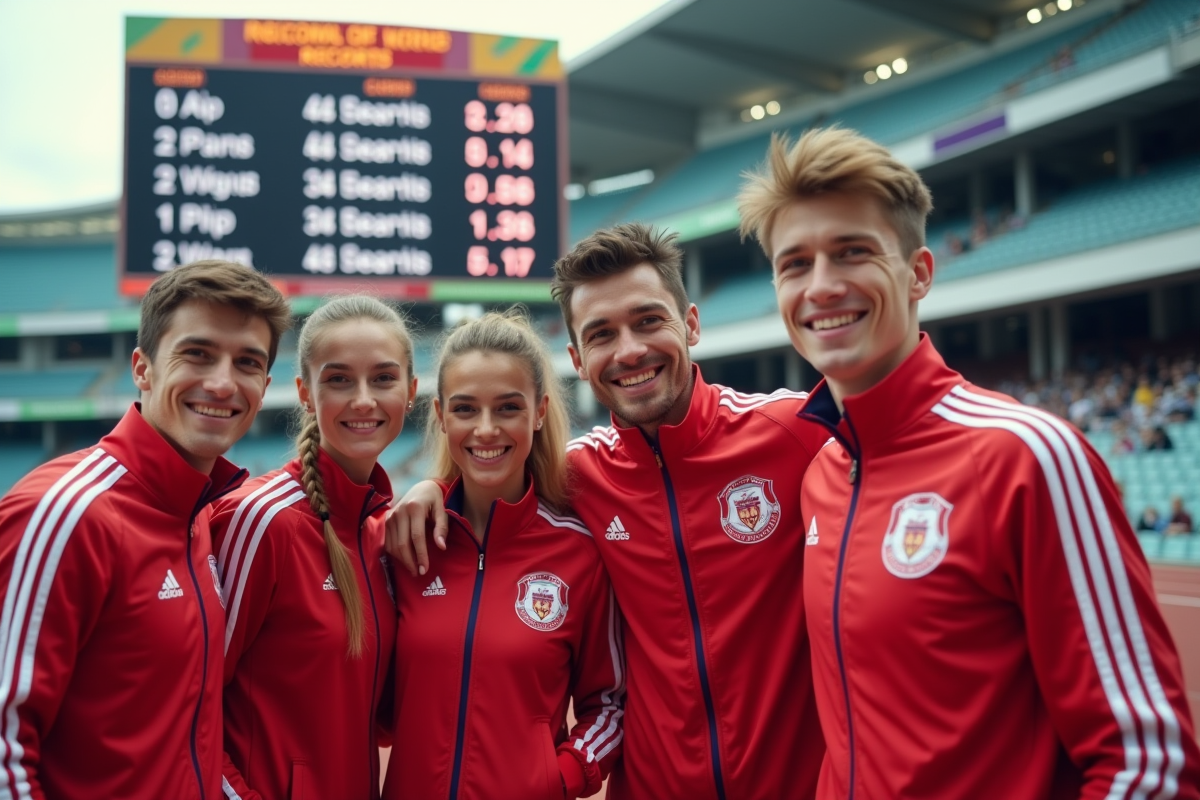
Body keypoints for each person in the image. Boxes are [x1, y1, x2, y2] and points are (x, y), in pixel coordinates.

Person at [738, 126, 1200, 798]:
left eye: (852, 252)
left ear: (918, 272)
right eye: (794, 264)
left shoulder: (1028, 456)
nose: (822, 286)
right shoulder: (822, 478)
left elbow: (1147, 766)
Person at [389, 225, 827, 800]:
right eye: (601, 334)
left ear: (690, 323)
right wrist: (431, 485)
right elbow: (491, 462)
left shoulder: (797, 432)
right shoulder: (579, 477)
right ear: (577, 356)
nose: (628, 351)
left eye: (648, 320)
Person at [0, 260, 291, 800]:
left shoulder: (198, 517)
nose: (222, 382)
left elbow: (187, 739)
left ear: (265, 384)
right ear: (142, 367)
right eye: (197, 353)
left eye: (246, 363)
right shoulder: (63, 512)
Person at [382, 311, 623, 800]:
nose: (486, 430)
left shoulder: (579, 552)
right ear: (441, 414)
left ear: (538, 411)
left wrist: (560, 777)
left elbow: (611, 704)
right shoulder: (405, 542)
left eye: (508, 408)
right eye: (466, 409)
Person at [212, 296, 415, 800]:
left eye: (384, 379)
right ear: (304, 392)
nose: (364, 400)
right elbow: (186, 707)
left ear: (411, 391)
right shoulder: (260, 520)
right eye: (339, 379)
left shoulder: (380, 535)